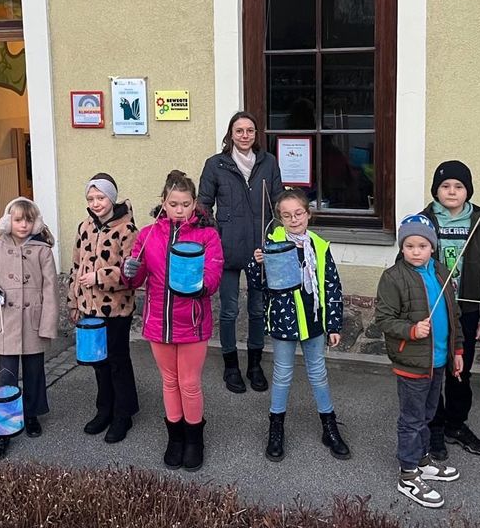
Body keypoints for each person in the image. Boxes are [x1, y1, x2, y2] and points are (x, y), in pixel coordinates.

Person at [123, 170, 223, 471]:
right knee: (169, 381)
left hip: (191, 320)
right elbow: (139, 278)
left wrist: (201, 286)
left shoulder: (207, 234)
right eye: (173, 203)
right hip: (159, 320)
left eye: (186, 204)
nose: (180, 210)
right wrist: (130, 270)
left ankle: (195, 439)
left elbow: (215, 272)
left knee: (189, 383)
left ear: (195, 204)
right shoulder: (149, 234)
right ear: (163, 203)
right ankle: (175, 437)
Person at [245, 188, 349, 462]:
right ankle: (276, 429)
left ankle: (329, 427)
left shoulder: (319, 246)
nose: (294, 219)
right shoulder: (272, 243)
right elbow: (259, 284)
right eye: (287, 215)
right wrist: (256, 264)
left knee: (318, 373)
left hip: (314, 321)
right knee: (282, 375)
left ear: (308, 214)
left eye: (298, 213)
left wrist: (334, 324)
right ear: (280, 218)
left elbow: (332, 286)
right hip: (285, 321)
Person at [376, 214, 464, 509]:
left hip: (437, 361)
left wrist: (458, 352)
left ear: (432, 247)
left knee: (428, 415)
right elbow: (385, 319)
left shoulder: (440, 272)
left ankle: (423, 460)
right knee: (412, 419)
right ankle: (408, 473)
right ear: (402, 248)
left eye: (422, 245)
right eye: (410, 245)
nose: (416, 251)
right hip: (411, 361)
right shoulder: (393, 277)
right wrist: (412, 330)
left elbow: (454, 316)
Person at [198, 111, 283, 394]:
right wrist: (212, 237)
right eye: (239, 131)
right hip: (227, 248)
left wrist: (279, 234)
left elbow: (277, 201)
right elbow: (203, 206)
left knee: (258, 309)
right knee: (230, 309)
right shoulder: (216, 165)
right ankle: (231, 365)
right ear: (230, 134)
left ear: (256, 134)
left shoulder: (268, 162)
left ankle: (255, 365)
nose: (245, 136)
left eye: (250, 130)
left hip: (261, 248)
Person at [420, 160, 480, 459]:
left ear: (468, 191)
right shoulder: (423, 221)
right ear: (436, 190)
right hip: (434, 310)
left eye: (458, 186)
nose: (451, 191)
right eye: (445, 186)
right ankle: (434, 427)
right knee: (433, 369)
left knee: (459, 370)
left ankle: (456, 423)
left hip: (466, 311)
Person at [0, 198, 58, 460]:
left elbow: (50, 289)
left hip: (33, 321)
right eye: (18, 219)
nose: (24, 224)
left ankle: (32, 413)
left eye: (29, 220)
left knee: (35, 372)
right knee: (6, 375)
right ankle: (3, 428)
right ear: (8, 221)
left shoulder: (43, 251)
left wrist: (47, 324)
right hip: (6, 320)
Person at [68, 173, 139, 443]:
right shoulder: (85, 227)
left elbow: (132, 272)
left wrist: (99, 277)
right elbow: (76, 267)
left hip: (117, 309)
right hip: (89, 307)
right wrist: (73, 302)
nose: (96, 203)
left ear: (112, 197)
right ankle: (104, 409)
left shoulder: (127, 230)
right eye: (91, 198)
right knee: (99, 362)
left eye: (101, 197)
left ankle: (124, 414)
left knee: (118, 360)